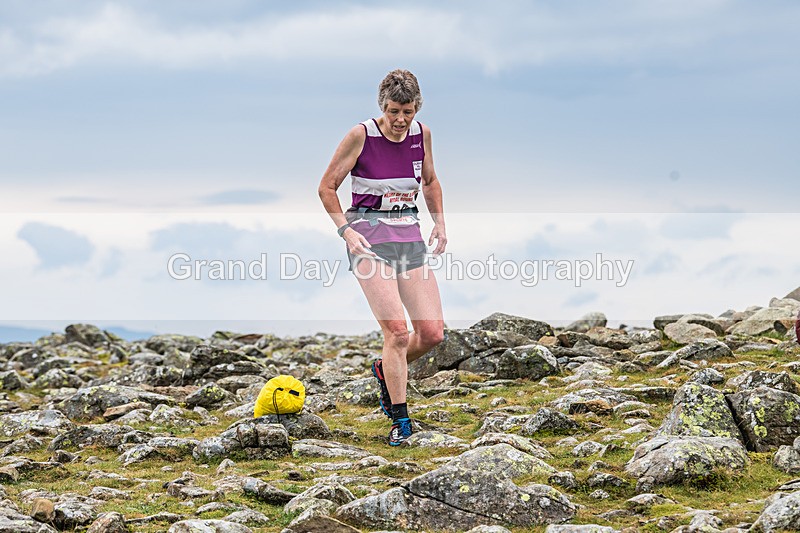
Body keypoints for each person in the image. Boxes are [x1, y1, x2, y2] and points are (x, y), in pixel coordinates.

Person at [318, 69, 446, 446]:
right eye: (393, 111)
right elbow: (326, 187)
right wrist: (346, 229)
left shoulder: (422, 135)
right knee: (397, 333)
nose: (400, 120)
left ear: (416, 108)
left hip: (409, 236)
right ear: (382, 107)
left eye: (407, 111)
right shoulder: (360, 136)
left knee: (432, 333)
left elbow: (431, 181)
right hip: (368, 240)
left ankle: (384, 369)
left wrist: (439, 224)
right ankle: (400, 420)